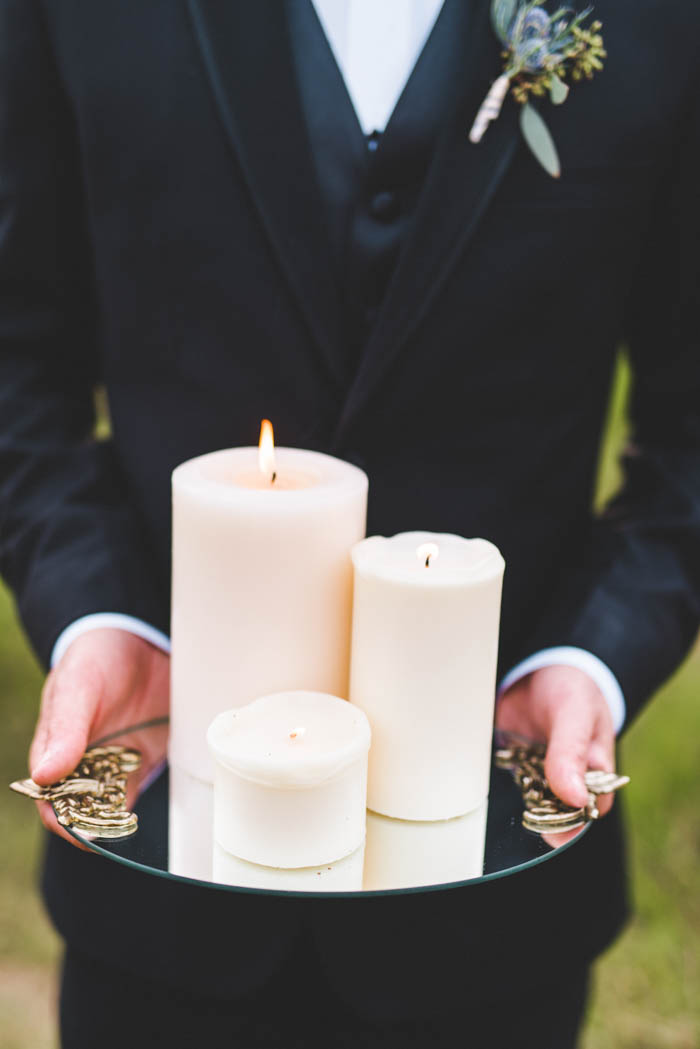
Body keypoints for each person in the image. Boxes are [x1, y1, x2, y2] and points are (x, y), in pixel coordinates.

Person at [1, 1, 698, 1046]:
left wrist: (592, 655)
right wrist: (100, 615)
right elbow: (18, 357)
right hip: (165, 885)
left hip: (491, 915)